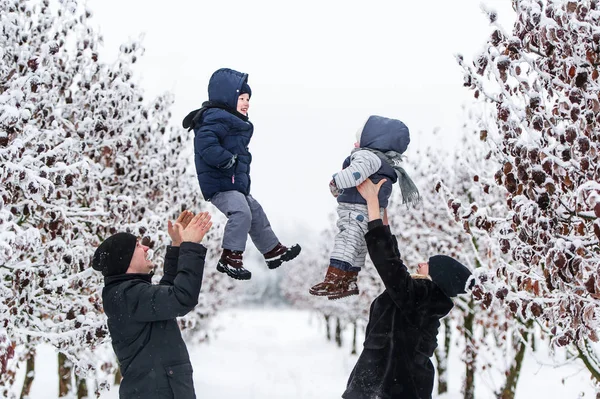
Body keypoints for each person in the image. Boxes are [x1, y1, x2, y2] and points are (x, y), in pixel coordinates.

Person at [342, 178, 473, 399]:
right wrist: (381, 208)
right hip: (391, 388)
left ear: (437, 277)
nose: (421, 263)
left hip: (386, 389)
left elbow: (389, 264)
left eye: (429, 264)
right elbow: (395, 260)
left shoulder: (422, 297)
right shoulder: (422, 301)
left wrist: (373, 203)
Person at [182, 68, 300, 281]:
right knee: (241, 213)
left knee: (255, 211)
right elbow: (205, 145)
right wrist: (226, 158)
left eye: (248, 99)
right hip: (219, 185)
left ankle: (273, 251)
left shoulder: (229, 120)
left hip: (234, 185)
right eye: (242, 98)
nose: (246, 103)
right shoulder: (213, 119)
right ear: (227, 97)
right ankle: (230, 257)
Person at [92, 210, 212, 399]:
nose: (146, 248)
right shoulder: (127, 295)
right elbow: (181, 298)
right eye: (138, 246)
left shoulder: (128, 294)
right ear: (126, 260)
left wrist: (178, 246)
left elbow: (167, 295)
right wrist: (191, 246)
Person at [309, 115, 419, 300]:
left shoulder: (367, 156)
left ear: (374, 139)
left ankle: (334, 278)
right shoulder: (385, 162)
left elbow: (355, 174)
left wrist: (336, 182)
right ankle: (349, 279)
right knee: (359, 245)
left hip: (355, 208)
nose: (355, 142)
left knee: (346, 240)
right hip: (370, 213)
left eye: (359, 138)